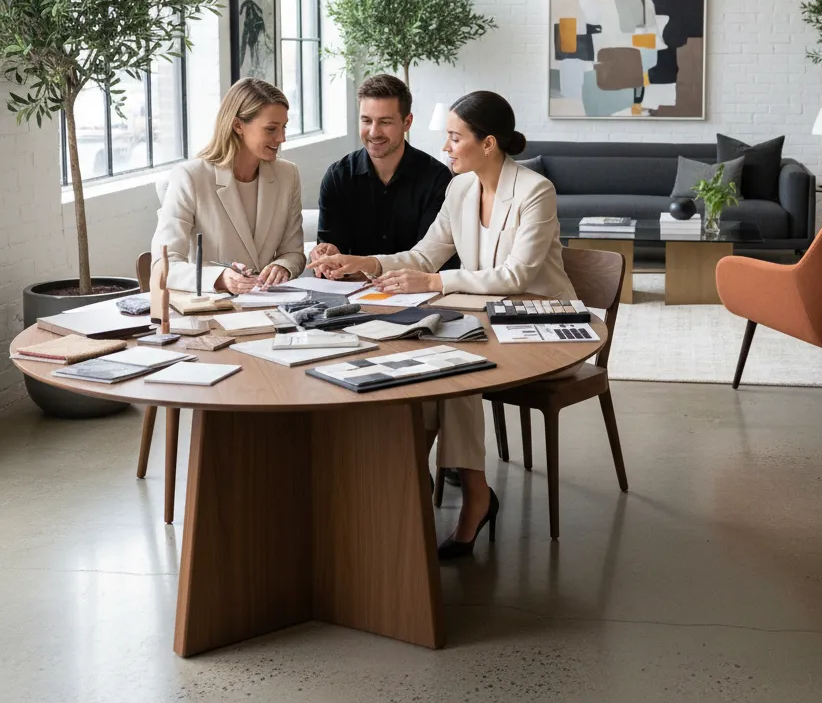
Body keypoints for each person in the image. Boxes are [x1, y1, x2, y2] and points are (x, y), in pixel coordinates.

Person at [313, 91, 575, 559]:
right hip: (486, 323)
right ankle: (458, 490)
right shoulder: (460, 189)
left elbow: (517, 276)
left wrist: (434, 279)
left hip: (540, 324)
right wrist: (362, 262)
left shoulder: (536, 191)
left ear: (489, 142)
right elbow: (422, 255)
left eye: (455, 137)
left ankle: (420, 482)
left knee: (455, 375)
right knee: (441, 375)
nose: (446, 147)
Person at [151, 78, 306, 293]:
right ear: (237, 125)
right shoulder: (190, 177)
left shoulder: (287, 175)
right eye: (271, 129)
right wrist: (220, 279)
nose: (282, 138)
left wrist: (283, 266)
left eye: (284, 127)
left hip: (269, 304)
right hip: (213, 308)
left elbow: (293, 252)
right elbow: (163, 264)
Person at [310, 74, 452, 265]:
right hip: (352, 287)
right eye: (366, 121)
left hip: (418, 290)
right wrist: (328, 253)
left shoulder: (437, 179)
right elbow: (332, 250)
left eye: (385, 122)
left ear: (407, 122)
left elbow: (430, 258)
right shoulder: (338, 177)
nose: (374, 132)